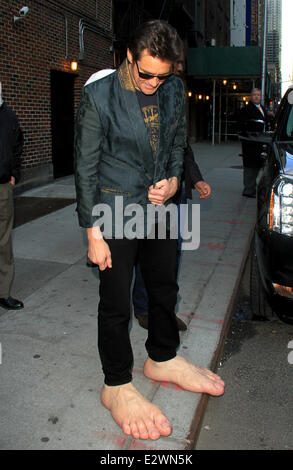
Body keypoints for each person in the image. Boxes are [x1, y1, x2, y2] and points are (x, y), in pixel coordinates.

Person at [75, 20, 225, 442]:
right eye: (146, 74)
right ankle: (116, 383)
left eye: (164, 76)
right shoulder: (99, 96)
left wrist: (176, 180)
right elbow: (85, 169)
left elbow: (177, 142)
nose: (154, 84)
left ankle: (162, 356)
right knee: (117, 302)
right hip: (115, 209)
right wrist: (92, 232)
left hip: (161, 209)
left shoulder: (173, 89)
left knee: (163, 287)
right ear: (129, 56)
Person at [133, 57, 211, 331]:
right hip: (149, 196)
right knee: (147, 255)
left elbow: (183, 147)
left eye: (176, 69)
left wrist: (196, 179)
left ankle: (164, 309)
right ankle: (143, 307)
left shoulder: (174, 96)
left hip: (175, 195)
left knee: (173, 255)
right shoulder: (141, 97)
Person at [0, 82, 24, 311]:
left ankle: (3, 292)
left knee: (4, 242)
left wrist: (14, 175)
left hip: (2, 188)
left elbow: (18, 146)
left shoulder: (9, 116)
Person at [239, 88, 273, 198]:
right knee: (250, 167)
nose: (257, 96)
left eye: (258, 95)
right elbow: (242, 125)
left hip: (260, 142)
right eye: (254, 95)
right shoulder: (247, 109)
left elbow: (265, 121)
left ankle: (252, 187)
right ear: (251, 96)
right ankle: (248, 190)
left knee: (257, 166)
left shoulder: (262, 108)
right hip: (250, 143)